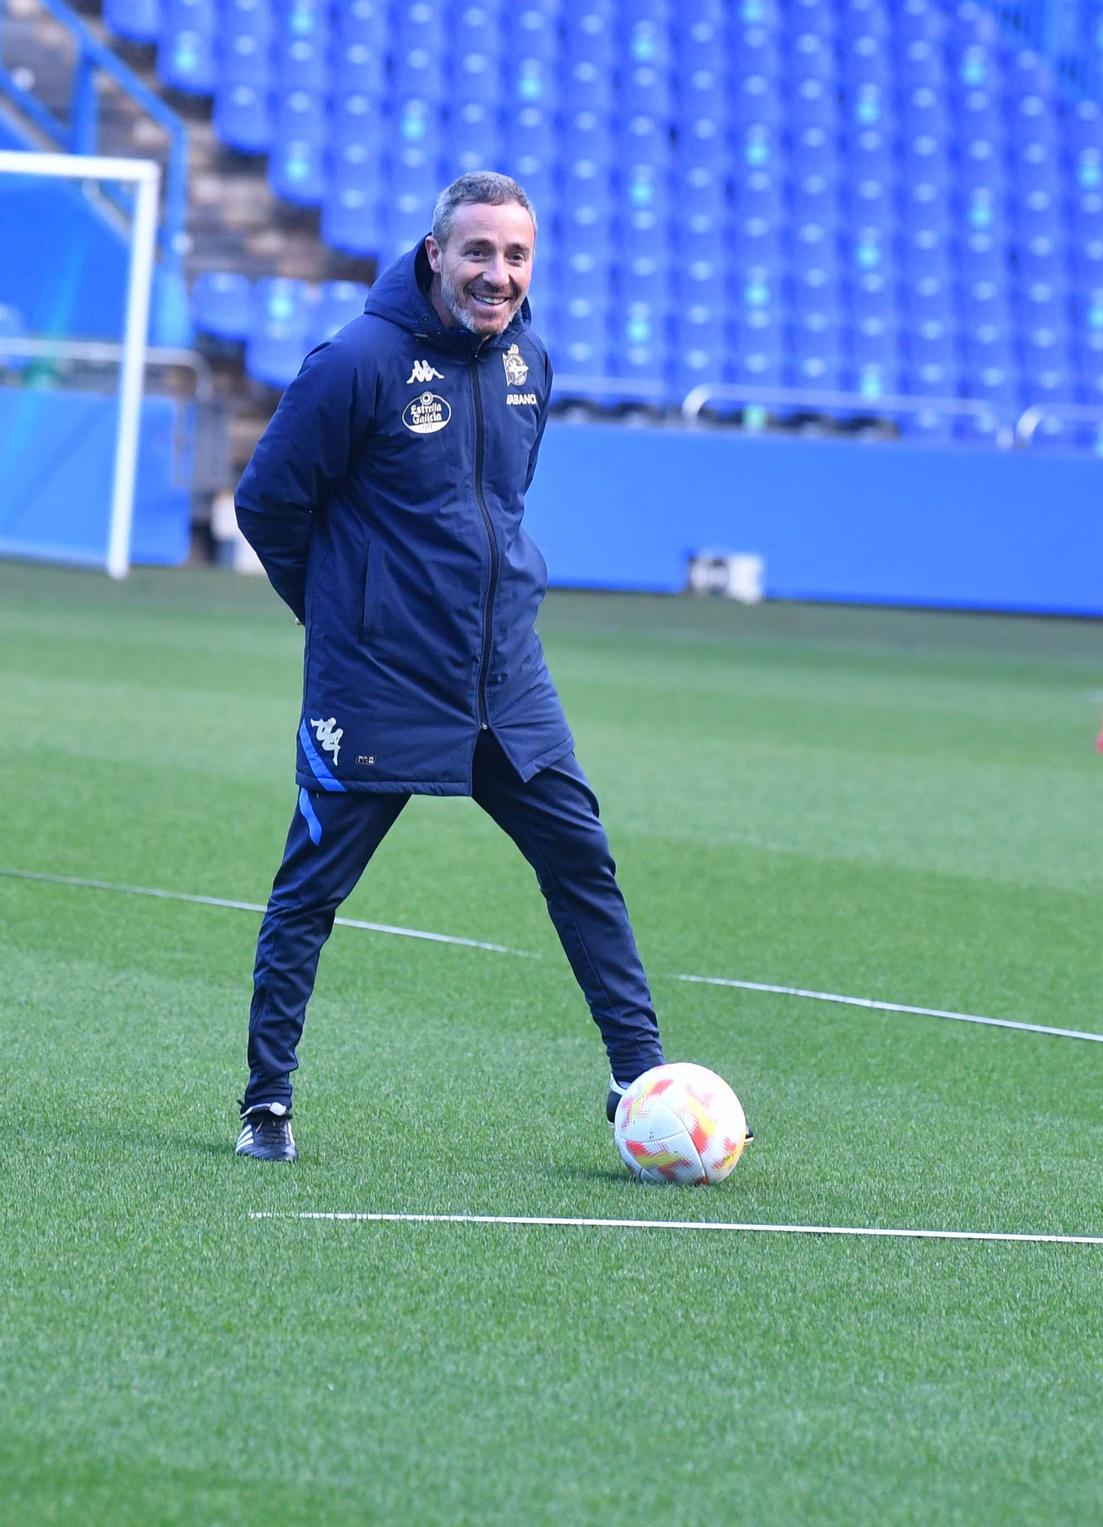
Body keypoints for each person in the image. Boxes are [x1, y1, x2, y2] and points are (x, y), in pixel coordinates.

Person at [230, 171, 666, 1161]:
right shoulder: (356, 362)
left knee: (582, 861)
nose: (497, 274)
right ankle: (267, 1102)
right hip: (379, 685)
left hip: (505, 681)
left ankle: (639, 1080)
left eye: (516, 255)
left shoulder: (529, 362)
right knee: (311, 890)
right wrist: (343, 616)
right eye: (477, 251)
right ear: (435, 254)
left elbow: (500, 507)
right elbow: (268, 503)